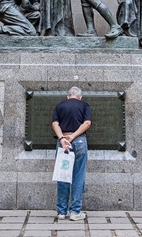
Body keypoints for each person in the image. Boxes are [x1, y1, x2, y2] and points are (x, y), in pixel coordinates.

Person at [52, 86, 91, 221]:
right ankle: (75, 212)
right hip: (79, 141)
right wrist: (73, 137)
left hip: (63, 143)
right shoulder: (84, 105)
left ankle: (61, 212)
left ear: (68, 96)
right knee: (78, 176)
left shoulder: (60, 105)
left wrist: (63, 139)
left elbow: (55, 124)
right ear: (80, 96)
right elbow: (87, 123)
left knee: (62, 175)